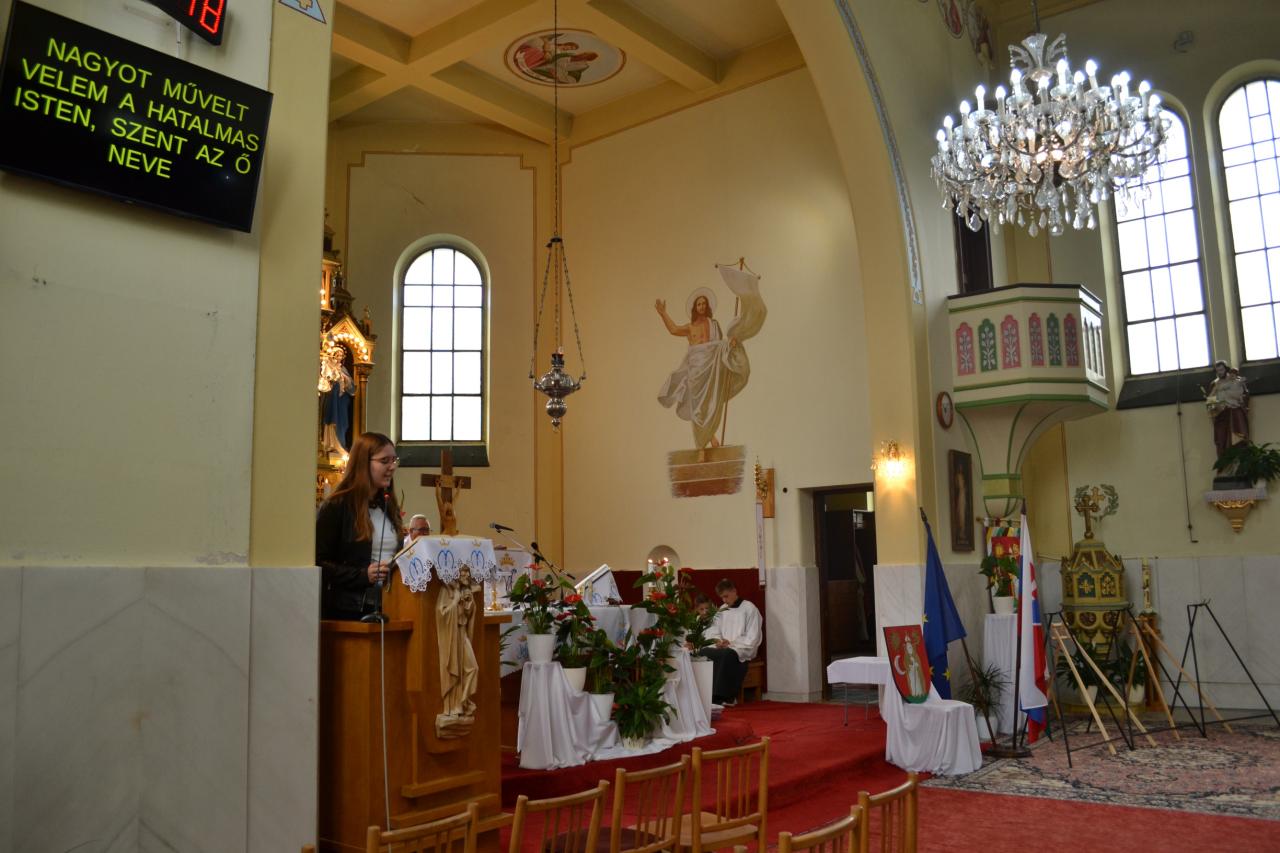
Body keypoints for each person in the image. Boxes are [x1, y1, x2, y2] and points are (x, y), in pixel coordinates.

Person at [316, 432, 404, 620]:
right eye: (384, 461)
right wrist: (363, 575)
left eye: (394, 460)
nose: (392, 467)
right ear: (363, 463)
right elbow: (319, 562)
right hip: (351, 609)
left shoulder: (388, 506)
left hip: (391, 603)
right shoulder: (336, 506)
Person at [698, 579, 762, 707]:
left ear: (734, 591)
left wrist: (731, 643)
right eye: (722, 597)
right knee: (704, 652)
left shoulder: (749, 608)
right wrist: (718, 641)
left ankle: (725, 697)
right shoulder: (722, 609)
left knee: (727, 655)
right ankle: (707, 695)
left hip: (742, 647)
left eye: (726, 596)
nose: (724, 600)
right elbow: (715, 630)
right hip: (724, 646)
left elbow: (752, 636)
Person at [1203, 360, 1249, 460]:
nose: (1220, 372)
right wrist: (1215, 408)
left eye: (1221, 370)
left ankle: (1240, 463)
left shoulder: (1235, 380)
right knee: (1221, 440)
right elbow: (1210, 403)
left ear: (1226, 369)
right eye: (1217, 371)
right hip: (1221, 415)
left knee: (1239, 437)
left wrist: (1240, 400)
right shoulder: (1214, 384)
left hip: (1235, 412)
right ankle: (1225, 464)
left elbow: (1245, 395)